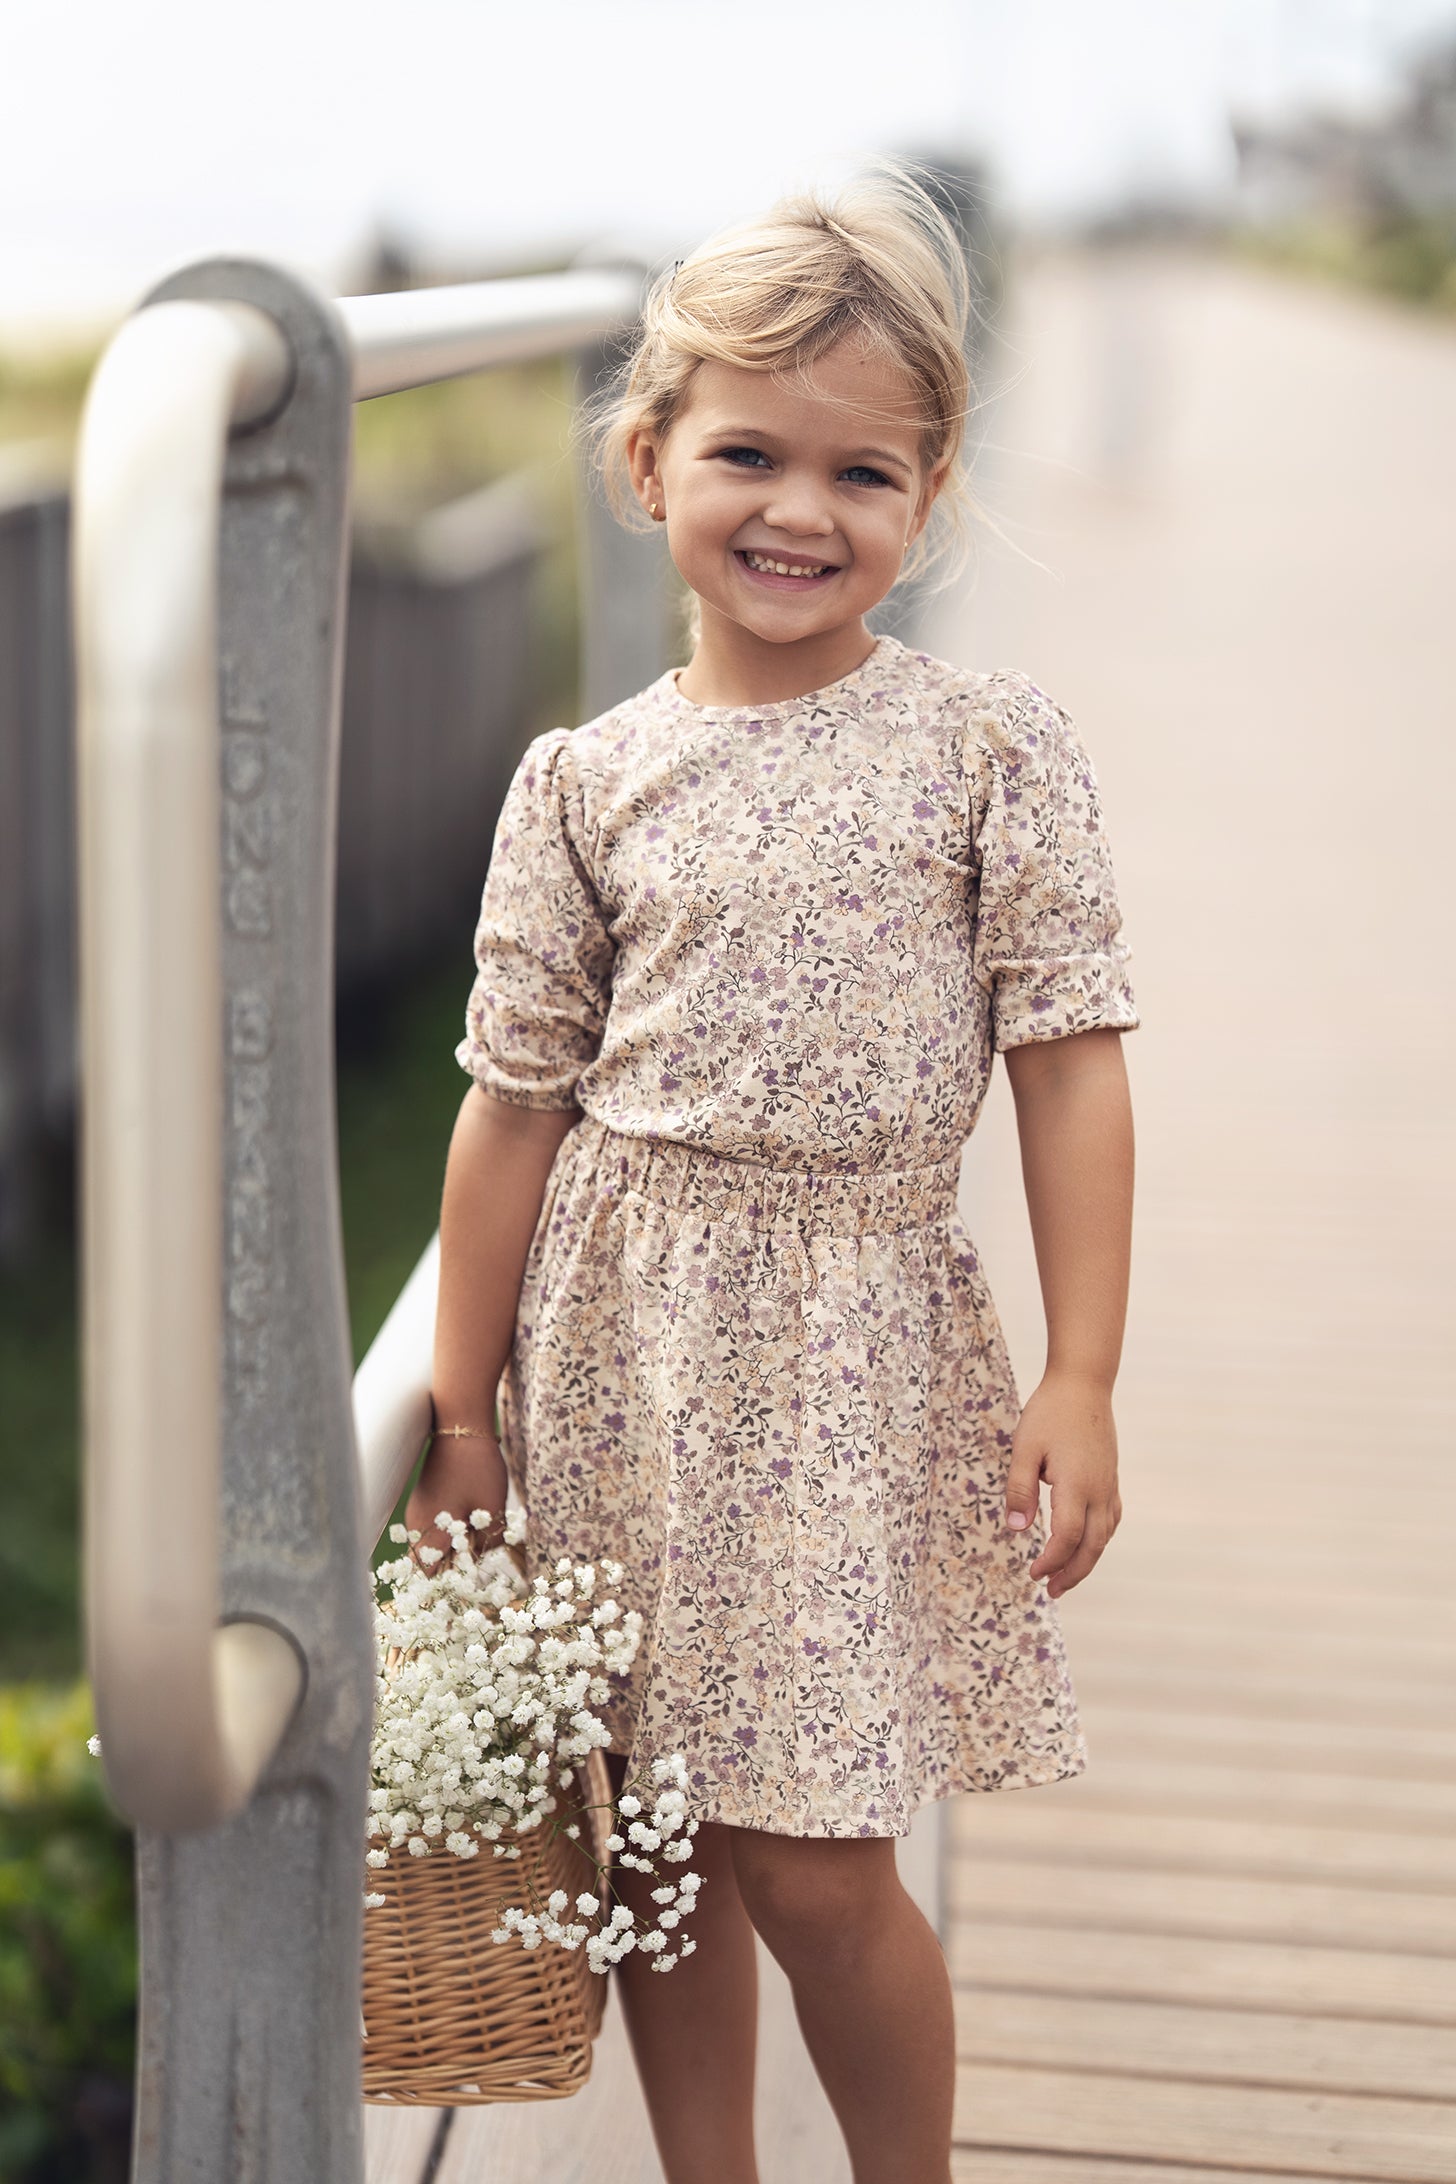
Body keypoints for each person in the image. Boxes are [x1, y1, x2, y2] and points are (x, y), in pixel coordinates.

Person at [408, 156, 1139, 2184]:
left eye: (862, 473)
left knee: (814, 1862)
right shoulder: (584, 781)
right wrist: (458, 1415)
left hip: (852, 1353)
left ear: (927, 497)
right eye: (747, 452)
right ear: (648, 464)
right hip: (622, 1356)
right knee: (660, 1829)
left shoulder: (990, 751)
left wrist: (1078, 1372)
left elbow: (1071, 1071)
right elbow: (511, 1107)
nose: (798, 512)